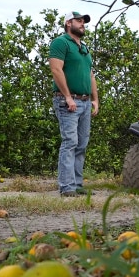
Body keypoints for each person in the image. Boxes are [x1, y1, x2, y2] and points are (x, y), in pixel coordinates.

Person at [49, 11, 98, 196]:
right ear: (68, 23)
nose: (83, 23)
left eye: (84, 21)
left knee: (82, 144)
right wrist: (68, 97)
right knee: (70, 142)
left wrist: (95, 99)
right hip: (68, 101)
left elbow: (90, 74)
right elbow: (56, 69)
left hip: (85, 102)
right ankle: (66, 187)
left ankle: (77, 185)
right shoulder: (60, 42)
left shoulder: (84, 47)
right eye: (79, 20)